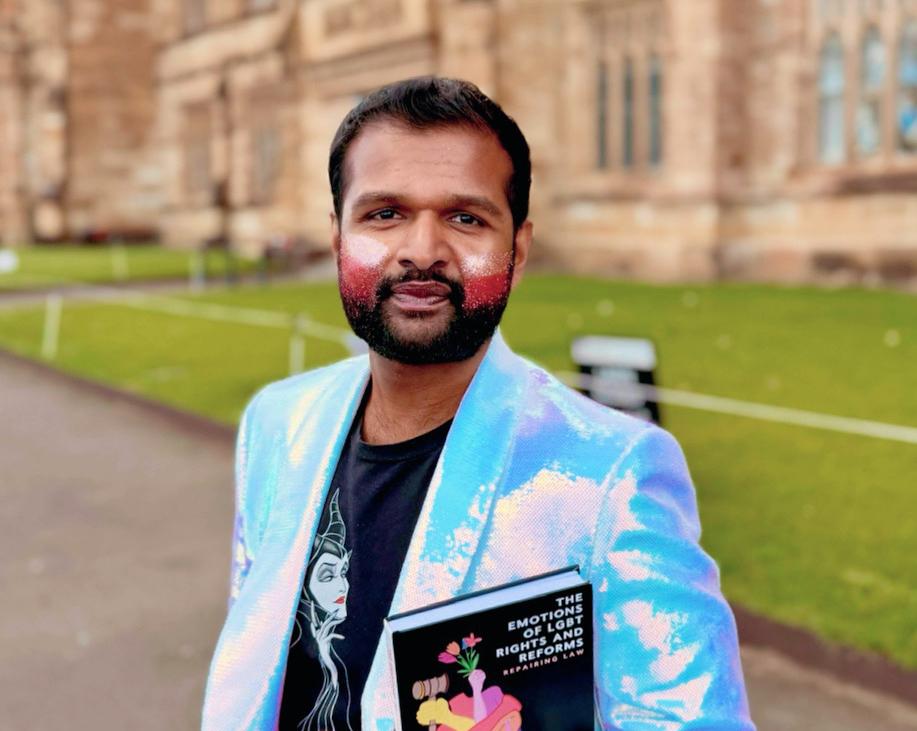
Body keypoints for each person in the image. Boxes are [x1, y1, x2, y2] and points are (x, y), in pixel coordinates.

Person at [202, 76, 755, 730]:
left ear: (517, 250)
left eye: (465, 218)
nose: (422, 251)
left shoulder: (611, 474)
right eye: (384, 214)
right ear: (337, 237)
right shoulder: (276, 421)